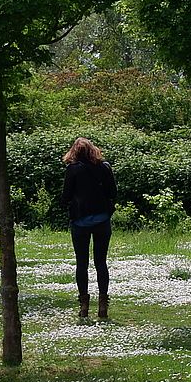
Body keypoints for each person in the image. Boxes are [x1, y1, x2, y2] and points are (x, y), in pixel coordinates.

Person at [60, 137, 116, 320]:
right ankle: (103, 304)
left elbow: (65, 196)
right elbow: (113, 193)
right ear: (93, 150)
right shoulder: (104, 167)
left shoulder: (72, 169)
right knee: (101, 262)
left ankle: (84, 305)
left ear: (74, 152)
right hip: (102, 220)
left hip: (80, 221)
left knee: (81, 263)